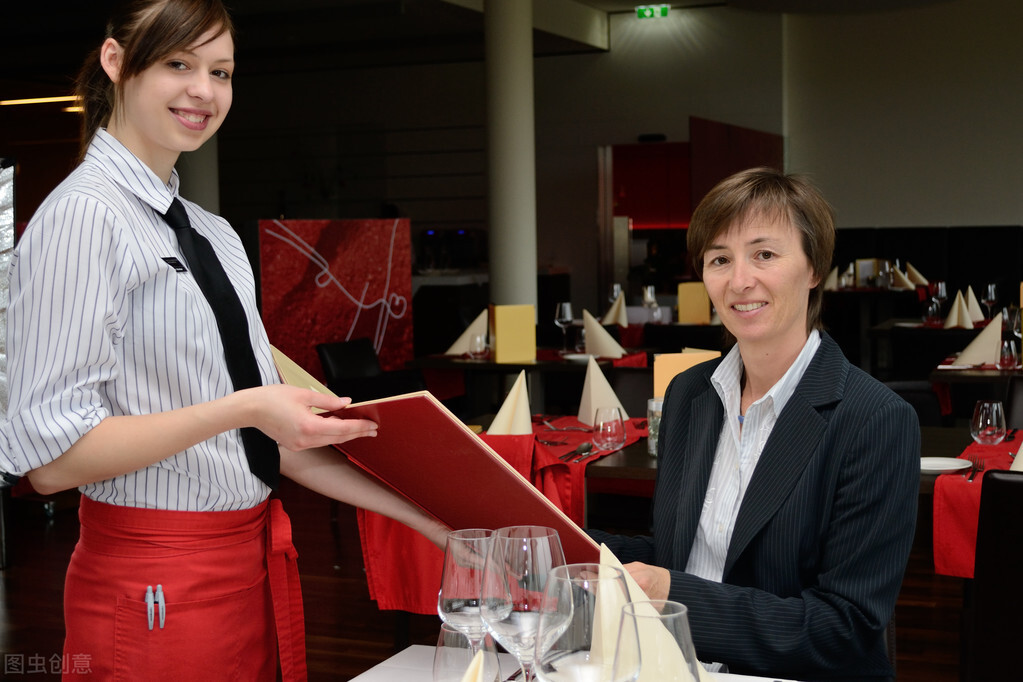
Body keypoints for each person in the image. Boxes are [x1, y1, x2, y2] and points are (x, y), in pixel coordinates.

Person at [0, 1, 448, 679]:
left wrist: (435, 523)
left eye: (221, 72)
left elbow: (270, 443)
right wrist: (245, 406)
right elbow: (53, 462)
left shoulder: (213, 234)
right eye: (178, 64)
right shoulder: (84, 217)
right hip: (153, 582)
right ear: (115, 61)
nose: (203, 91)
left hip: (246, 568)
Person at [589, 168, 918, 681]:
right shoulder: (690, 394)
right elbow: (684, 556)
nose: (739, 281)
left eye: (764, 254)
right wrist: (551, 543)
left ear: (814, 269)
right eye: (720, 259)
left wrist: (672, 594)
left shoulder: (875, 420)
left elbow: (845, 629)